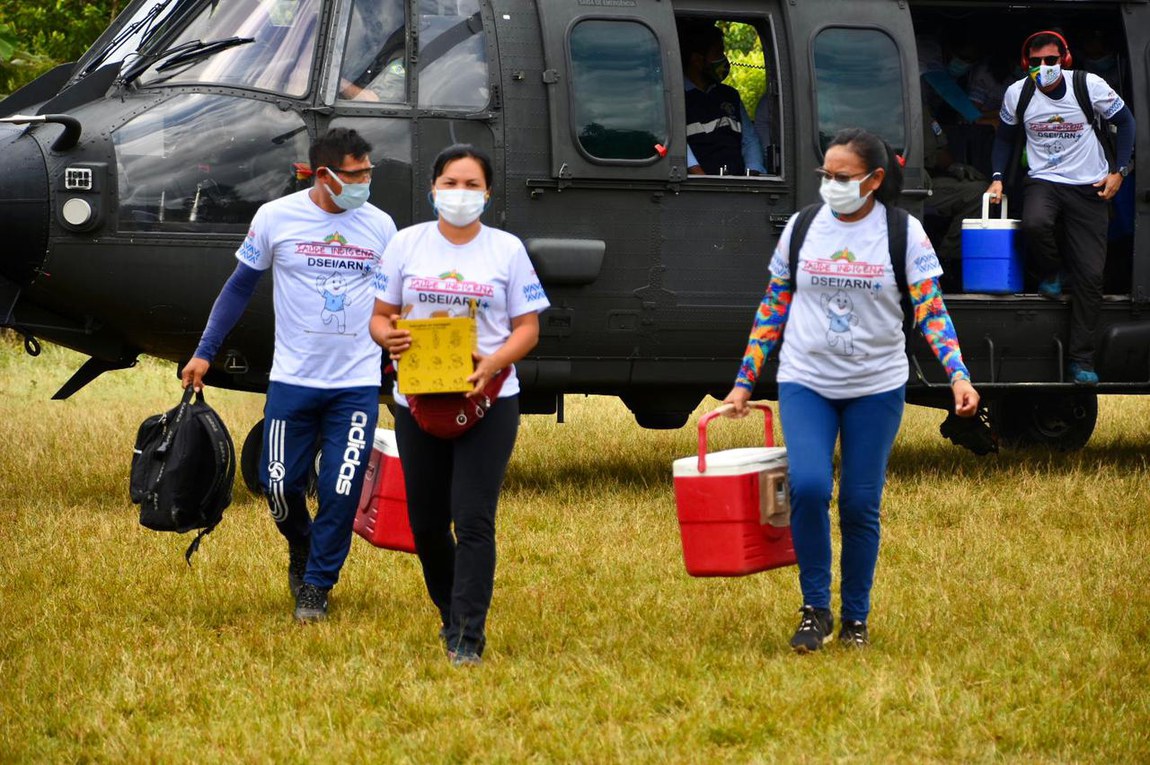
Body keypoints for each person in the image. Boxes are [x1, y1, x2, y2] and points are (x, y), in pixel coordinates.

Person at [722, 127, 980, 653]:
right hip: (806, 380)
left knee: (861, 504)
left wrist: (957, 374)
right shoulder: (803, 228)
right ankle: (815, 609)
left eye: (843, 177)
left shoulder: (904, 233)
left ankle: (855, 618)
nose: (831, 185)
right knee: (809, 487)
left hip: (876, 387)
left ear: (874, 179)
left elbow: (932, 310)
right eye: (826, 175)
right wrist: (744, 382)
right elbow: (773, 306)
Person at [181, 128, 398, 622]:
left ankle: (317, 584)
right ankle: (301, 545)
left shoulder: (381, 225)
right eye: (356, 174)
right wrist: (205, 352)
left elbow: (394, 302)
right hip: (293, 382)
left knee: (340, 490)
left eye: (368, 171)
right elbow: (239, 287)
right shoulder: (275, 218)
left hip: (355, 385)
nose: (366, 182)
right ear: (323, 175)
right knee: (277, 486)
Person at [369, 144, 550, 667]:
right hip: (418, 399)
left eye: (472, 185)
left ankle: (469, 635)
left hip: (489, 399)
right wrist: (387, 336)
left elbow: (528, 328)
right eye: (450, 183)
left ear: (488, 194)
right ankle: (450, 612)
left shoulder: (507, 251)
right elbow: (379, 317)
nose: (460, 193)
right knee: (427, 524)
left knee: (473, 519)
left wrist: (493, 363)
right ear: (433, 189)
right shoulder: (405, 245)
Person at [986, 30, 1136, 385]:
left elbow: (1126, 122)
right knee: (1035, 223)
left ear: (1064, 59)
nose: (1044, 68)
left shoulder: (1089, 86)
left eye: (1051, 60)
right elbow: (1004, 138)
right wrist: (997, 178)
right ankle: (1052, 271)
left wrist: (1120, 172)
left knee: (1091, 277)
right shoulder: (1018, 93)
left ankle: (1080, 359)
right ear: (1026, 64)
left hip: (1090, 186)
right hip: (1044, 179)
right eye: (1036, 62)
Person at [679, 21, 766, 177]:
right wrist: (702, 178)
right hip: (698, 187)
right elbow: (676, 143)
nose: (723, 59)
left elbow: (749, 140)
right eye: (718, 53)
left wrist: (753, 173)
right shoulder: (677, 98)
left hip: (737, 185)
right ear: (697, 60)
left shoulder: (730, 96)